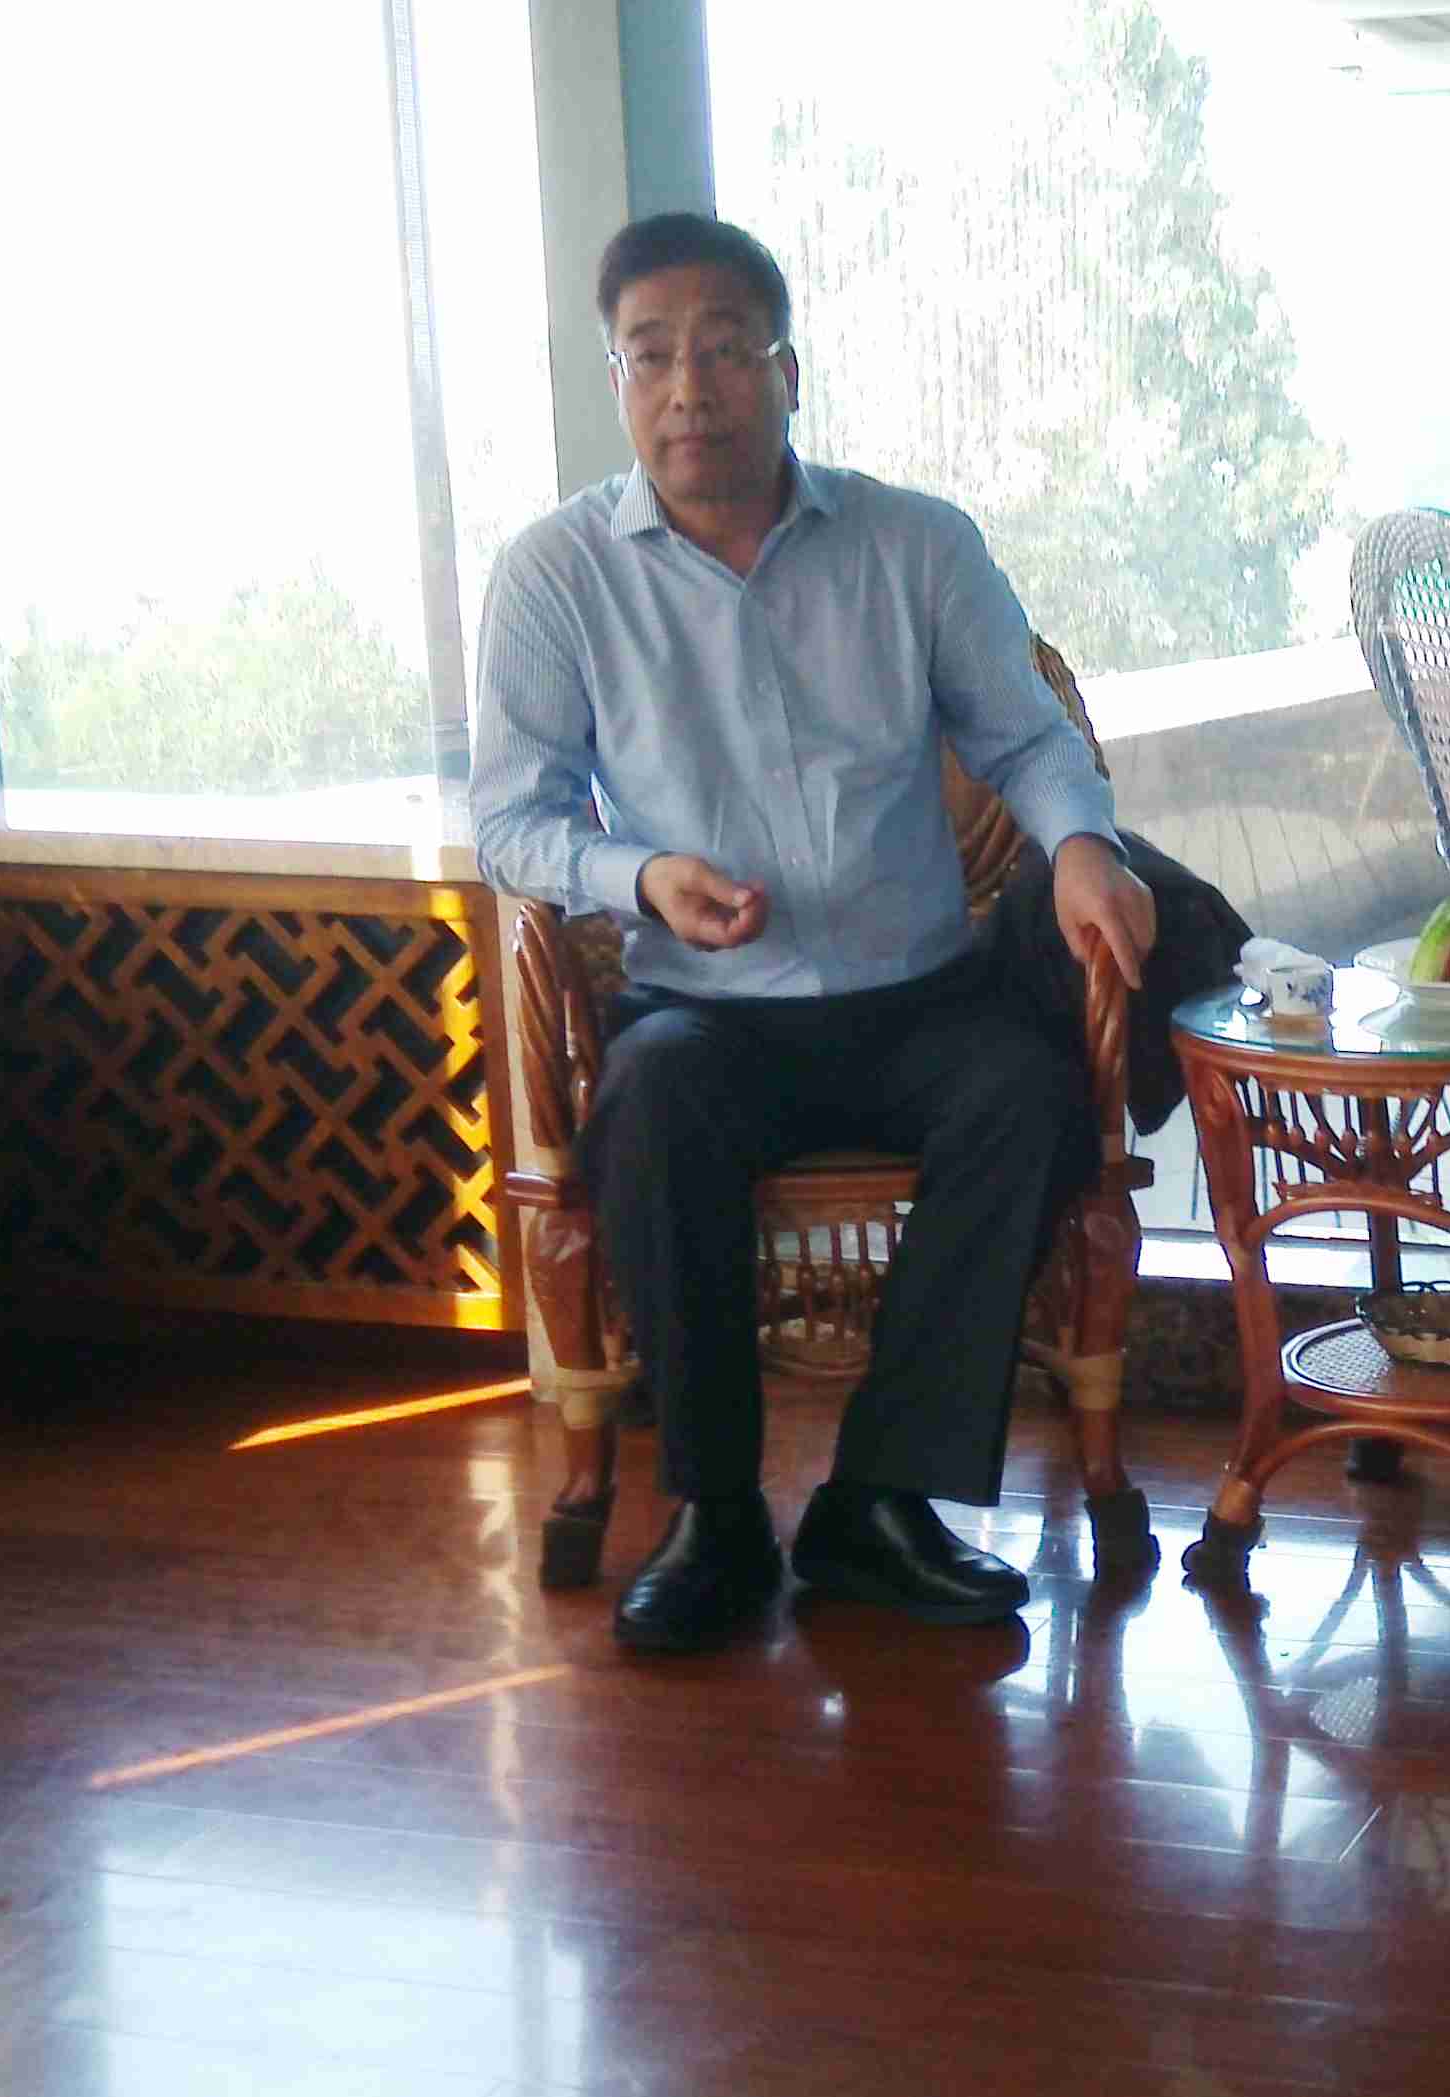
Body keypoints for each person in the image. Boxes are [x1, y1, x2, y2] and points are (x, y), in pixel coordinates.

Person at [471, 213, 1158, 1655]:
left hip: (918, 998)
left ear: (787, 373)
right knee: (650, 1100)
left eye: (726, 350)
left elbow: (1026, 737)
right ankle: (717, 1514)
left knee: (1028, 1094)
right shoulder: (557, 575)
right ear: (616, 378)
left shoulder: (914, 544)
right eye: (653, 355)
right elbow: (512, 821)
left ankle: (881, 1503)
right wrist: (641, 875)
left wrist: (1084, 849)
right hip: (705, 1009)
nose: (691, 389)